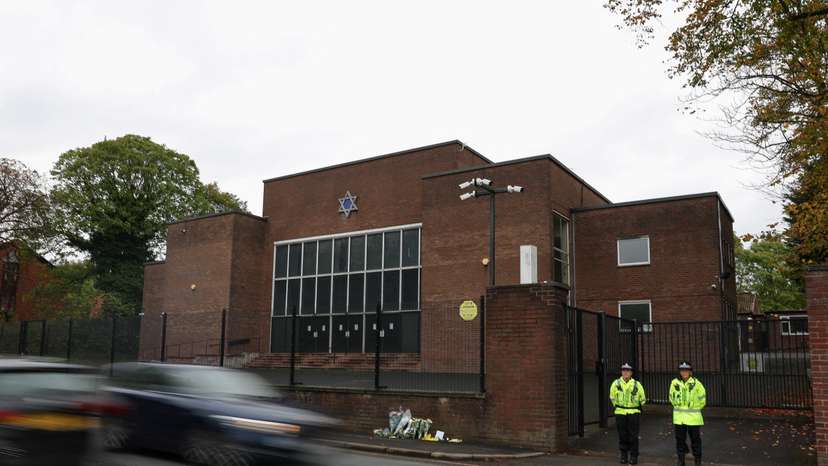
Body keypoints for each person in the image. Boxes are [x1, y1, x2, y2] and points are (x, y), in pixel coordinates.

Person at [670, 361, 706, 466]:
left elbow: (702, 400)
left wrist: (695, 408)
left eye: (686, 370)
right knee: (680, 440)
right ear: (680, 372)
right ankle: (681, 461)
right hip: (679, 418)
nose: (684, 372)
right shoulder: (674, 383)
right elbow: (671, 398)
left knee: (695, 441)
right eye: (682, 370)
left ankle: (697, 460)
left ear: (690, 372)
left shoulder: (697, 384)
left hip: (693, 418)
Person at [609, 362, 646, 465]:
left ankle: (634, 456)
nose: (625, 372)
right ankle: (624, 455)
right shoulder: (616, 384)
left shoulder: (636, 384)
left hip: (633, 412)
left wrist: (635, 407)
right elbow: (612, 397)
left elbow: (642, 399)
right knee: (622, 435)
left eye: (627, 371)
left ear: (631, 373)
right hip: (620, 412)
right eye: (623, 370)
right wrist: (618, 407)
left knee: (633, 436)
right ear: (621, 372)